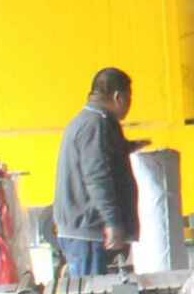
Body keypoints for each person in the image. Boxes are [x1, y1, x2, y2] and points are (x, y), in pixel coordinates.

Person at [53, 67, 140, 277]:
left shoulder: (91, 121)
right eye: (129, 99)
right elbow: (97, 176)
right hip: (88, 233)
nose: (129, 105)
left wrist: (127, 148)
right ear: (118, 97)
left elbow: (100, 156)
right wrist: (112, 221)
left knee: (95, 291)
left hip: (85, 232)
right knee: (92, 292)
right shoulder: (95, 124)